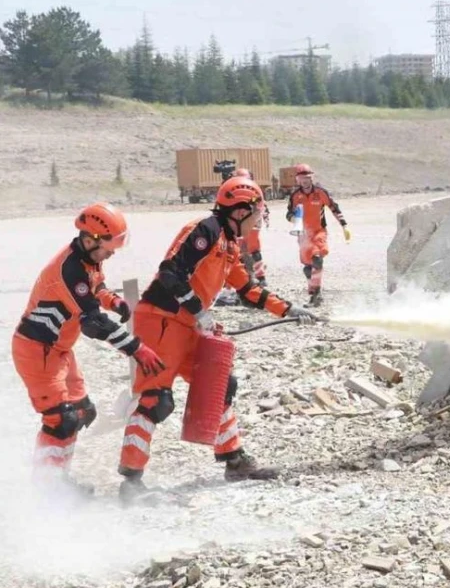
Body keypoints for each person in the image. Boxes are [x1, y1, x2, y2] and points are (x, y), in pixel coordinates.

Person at [117, 176, 318, 500]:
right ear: (239, 211)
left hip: (188, 325)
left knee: (221, 384)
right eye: (255, 213)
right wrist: (200, 312)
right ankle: (131, 482)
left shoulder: (229, 244)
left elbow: (247, 290)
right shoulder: (206, 230)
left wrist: (288, 310)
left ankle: (233, 461)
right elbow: (170, 273)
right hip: (161, 322)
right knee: (156, 400)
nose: (257, 221)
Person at [12, 202, 166, 495]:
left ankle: (56, 478)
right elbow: (93, 323)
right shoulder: (68, 271)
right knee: (61, 418)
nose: (112, 253)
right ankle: (46, 488)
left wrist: (114, 301)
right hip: (37, 351)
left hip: (59, 351)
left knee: (82, 412)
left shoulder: (88, 260)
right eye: (109, 247)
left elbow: (96, 288)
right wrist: (136, 349)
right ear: (91, 238)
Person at [285, 164, 350, 306]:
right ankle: (314, 294)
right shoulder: (295, 196)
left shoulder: (321, 193)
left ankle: (316, 294)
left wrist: (344, 226)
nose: (305, 181)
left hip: (319, 231)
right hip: (303, 234)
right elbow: (288, 214)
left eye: (308, 178)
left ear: (312, 178)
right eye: (302, 178)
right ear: (297, 180)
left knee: (317, 259)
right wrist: (293, 218)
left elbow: (334, 208)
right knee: (307, 267)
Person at [233, 168, 270, 286]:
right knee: (242, 250)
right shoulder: (234, 191)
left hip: (252, 222)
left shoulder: (253, 191)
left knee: (253, 249)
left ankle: (260, 277)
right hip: (240, 222)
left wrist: (264, 216)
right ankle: (249, 277)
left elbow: (260, 203)